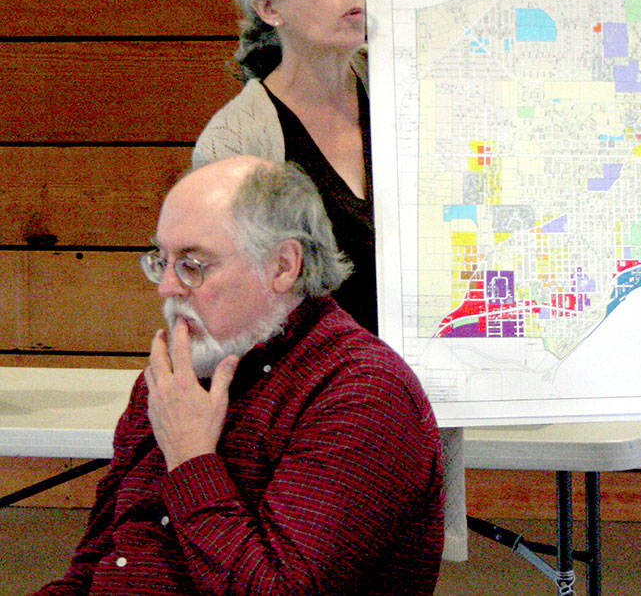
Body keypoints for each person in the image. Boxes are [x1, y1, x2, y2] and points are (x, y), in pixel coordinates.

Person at [34, 156, 444, 595]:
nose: (166, 287)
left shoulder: (362, 392)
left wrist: (191, 458)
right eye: (162, 260)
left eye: (192, 264)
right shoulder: (178, 373)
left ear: (284, 266)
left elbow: (281, 589)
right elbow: (94, 568)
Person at [194, 0, 580, 332]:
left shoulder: (406, 77)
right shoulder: (235, 144)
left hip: (444, 371)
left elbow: (509, 46)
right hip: (332, 392)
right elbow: (228, 312)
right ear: (268, 6)